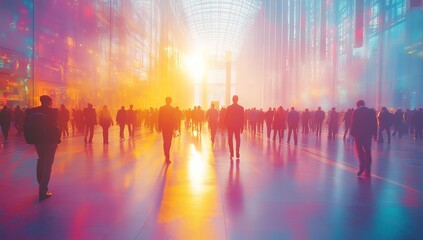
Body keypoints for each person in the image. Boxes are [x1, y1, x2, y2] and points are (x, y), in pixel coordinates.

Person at [24, 95, 61, 200]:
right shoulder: (53, 111)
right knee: (48, 164)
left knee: (41, 159)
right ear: (49, 101)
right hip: (50, 141)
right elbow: (55, 124)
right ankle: (43, 191)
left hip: (38, 141)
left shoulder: (32, 111)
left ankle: (41, 181)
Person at [350, 100, 378, 177]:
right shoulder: (371, 111)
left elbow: (353, 123)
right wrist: (375, 134)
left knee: (359, 151)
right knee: (368, 151)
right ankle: (368, 169)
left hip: (358, 135)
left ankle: (362, 167)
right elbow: (374, 123)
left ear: (357, 105)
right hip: (368, 135)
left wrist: (351, 134)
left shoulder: (356, 112)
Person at [158, 97, 177, 163]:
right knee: (169, 141)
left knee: (165, 140)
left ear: (165, 101)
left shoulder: (161, 108)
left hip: (164, 127)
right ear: (171, 101)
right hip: (170, 127)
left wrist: (159, 127)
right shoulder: (173, 109)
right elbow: (175, 119)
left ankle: (166, 153)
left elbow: (159, 118)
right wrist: (175, 127)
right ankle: (167, 155)